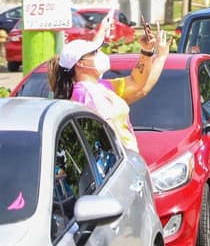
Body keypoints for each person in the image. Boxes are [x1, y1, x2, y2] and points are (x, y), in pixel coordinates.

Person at [49, 19, 168, 153]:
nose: (99, 55)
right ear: (80, 63)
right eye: (94, 53)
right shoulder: (86, 93)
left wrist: (147, 51)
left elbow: (136, 82)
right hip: (120, 164)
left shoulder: (101, 87)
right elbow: (109, 136)